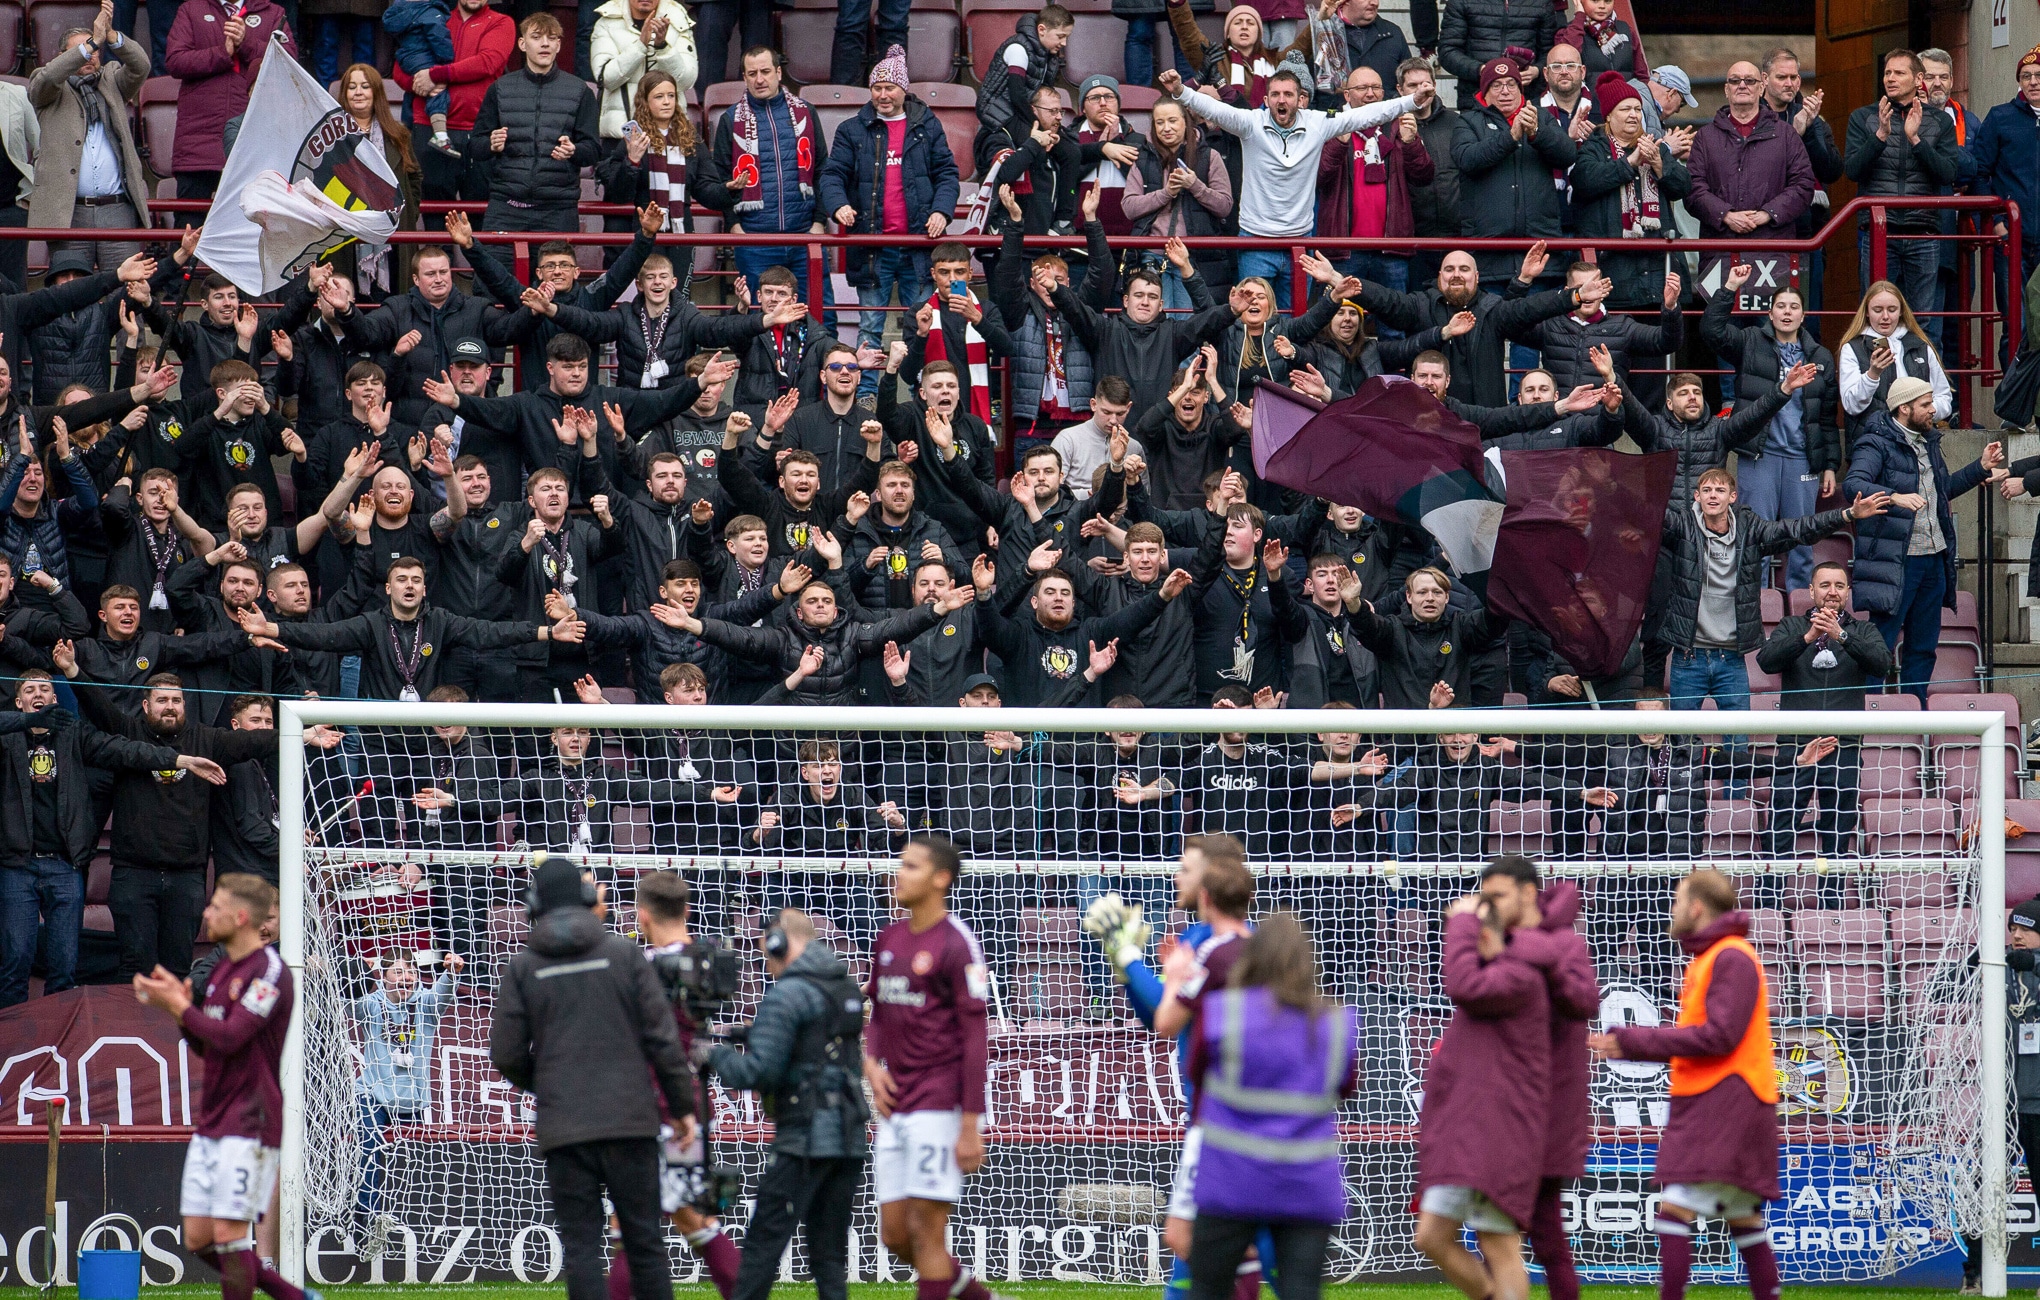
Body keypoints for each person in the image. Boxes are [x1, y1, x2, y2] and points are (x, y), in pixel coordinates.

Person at [490, 856, 698, 1300]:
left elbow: (506, 1054)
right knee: (644, 1243)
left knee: (582, 1248)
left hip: (565, 1126)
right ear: (587, 898)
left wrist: (548, 1082)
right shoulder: (624, 954)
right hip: (630, 1120)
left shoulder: (523, 967)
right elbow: (662, 1041)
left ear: (534, 905)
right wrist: (682, 1108)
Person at [1589, 869, 1784, 1300]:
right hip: (1727, 1100)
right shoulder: (1713, 957)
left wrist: (1636, 1040)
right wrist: (1631, 1045)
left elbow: (1719, 1037)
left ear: (1696, 907)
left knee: (1673, 1210)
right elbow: (1706, 1037)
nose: (1672, 910)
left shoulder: (1731, 957)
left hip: (1726, 1102)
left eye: (1677, 901)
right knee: (1745, 1221)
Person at [132, 874, 310, 1300]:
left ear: (240, 916)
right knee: (198, 1239)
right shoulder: (221, 969)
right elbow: (206, 1044)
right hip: (214, 1117)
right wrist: (179, 1012)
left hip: (251, 1118)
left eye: (215, 907)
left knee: (230, 1237)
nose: (206, 913)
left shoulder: (270, 971)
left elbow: (232, 1037)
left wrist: (180, 1006)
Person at [0, 671, 199, 1009]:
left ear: (55, 700)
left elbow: (122, 749)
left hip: (64, 865)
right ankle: (11, 1038)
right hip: (18, 865)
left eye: (45, 689)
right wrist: (26, 722)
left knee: (64, 966)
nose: (39, 694)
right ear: (19, 702)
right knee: (15, 961)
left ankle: (58, 1037)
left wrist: (175, 758)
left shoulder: (73, 734)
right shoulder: (7, 741)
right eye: (30, 690)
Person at [1413, 856, 1565, 1300]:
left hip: (1502, 1129)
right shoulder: (1503, 973)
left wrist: (1459, 925)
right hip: (1469, 1129)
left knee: (1499, 1244)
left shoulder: (1521, 974)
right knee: (1431, 1236)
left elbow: (1461, 984)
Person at [1183, 911, 1355, 1300]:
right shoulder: (1336, 1022)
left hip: (1232, 1178)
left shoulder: (1222, 1011)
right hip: (1306, 1181)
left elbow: (1197, 1074)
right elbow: (1345, 1086)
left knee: (1208, 1289)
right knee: (1301, 1291)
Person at [702, 907, 867, 1300]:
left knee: (762, 1248)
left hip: (803, 1139)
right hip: (849, 1138)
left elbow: (757, 1073)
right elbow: (811, 1047)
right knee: (828, 1259)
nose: (767, 965)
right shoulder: (844, 987)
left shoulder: (788, 994)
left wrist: (713, 1054)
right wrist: (752, 1033)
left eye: (767, 954)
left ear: (778, 942)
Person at [1161, 65, 1422, 307]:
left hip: (1299, 243)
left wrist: (1413, 100)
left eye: (1288, 94)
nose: (1282, 100)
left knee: (1294, 324)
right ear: (1266, 100)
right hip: (1256, 241)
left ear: (1300, 100)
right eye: (1275, 94)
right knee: (1252, 316)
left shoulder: (1317, 122)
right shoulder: (1251, 123)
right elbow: (1215, 109)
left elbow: (1367, 114)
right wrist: (1180, 91)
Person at [864, 836, 997, 1300]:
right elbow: (878, 1014)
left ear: (941, 878)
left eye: (911, 866)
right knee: (895, 1236)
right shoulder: (890, 938)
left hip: (940, 1105)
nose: (898, 873)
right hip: (895, 1105)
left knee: (927, 1235)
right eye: (900, 864)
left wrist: (969, 1123)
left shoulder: (957, 944)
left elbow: (976, 1038)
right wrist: (870, 1062)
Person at [1652, 466, 1886, 711]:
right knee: (1681, 734)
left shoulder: (1750, 530)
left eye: (1720, 490)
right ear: (1697, 496)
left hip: (1731, 658)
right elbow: (1644, 513)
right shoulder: (1682, 526)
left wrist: (1847, 514)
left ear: (1732, 497)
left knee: (1738, 735)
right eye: (1707, 490)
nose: (1712, 495)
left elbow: (1799, 529)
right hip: (1687, 657)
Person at [1842, 375, 2000, 701]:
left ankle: (1915, 715)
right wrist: (1894, 496)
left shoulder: (1929, 441)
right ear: (1904, 408)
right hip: (1896, 562)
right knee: (1879, 647)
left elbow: (1943, 492)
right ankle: (1870, 717)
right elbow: (1853, 484)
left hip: (1933, 559)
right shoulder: (1875, 442)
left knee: (1924, 648)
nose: (1933, 409)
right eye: (1926, 404)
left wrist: (1980, 467)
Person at [821, 50, 959, 381]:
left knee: (922, 325)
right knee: (870, 325)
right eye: (877, 88)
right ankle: (867, 395)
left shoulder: (927, 126)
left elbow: (947, 174)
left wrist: (942, 211)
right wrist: (838, 204)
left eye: (890, 88)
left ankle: (920, 392)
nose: (883, 95)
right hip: (873, 248)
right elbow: (832, 174)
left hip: (918, 247)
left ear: (904, 90)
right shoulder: (852, 129)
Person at [1703, 263, 1839, 591]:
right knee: (1755, 539)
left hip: (1802, 459)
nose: (1787, 312)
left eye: (1794, 307)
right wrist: (1730, 288)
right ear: (1770, 313)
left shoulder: (1820, 356)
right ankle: (1757, 606)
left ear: (1803, 316)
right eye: (1781, 306)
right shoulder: (1751, 341)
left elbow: (1826, 417)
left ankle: (1799, 608)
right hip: (1759, 456)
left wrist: (1830, 465)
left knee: (1802, 542)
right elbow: (1711, 331)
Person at [1755, 561, 1891, 856]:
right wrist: (1807, 638)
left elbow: (1882, 665)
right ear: (1811, 591)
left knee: (1838, 835)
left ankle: (1832, 888)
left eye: (1839, 586)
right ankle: (1772, 887)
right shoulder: (1791, 625)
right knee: (1780, 829)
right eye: (1825, 585)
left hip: (1844, 747)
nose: (1832, 592)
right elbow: (1766, 661)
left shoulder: (1863, 629)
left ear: (1848, 592)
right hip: (1795, 746)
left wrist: (1842, 635)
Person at [1844, 49, 1963, 349]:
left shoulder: (1939, 121)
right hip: (1878, 233)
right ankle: (1878, 379)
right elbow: (1852, 170)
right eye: (1887, 72)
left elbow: (1947, 173)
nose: (1891, 78)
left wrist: (1915, 139)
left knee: (1922, 322)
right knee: (1875, 318)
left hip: (1923, 232)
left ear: (1918, 78)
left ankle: (1919, 379)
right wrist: (1880, 137)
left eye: (1899, 72)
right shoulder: (1863, 117)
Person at [351, 950, 464, 1255]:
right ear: (384, 977)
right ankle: (365, 1219)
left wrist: (451, 973)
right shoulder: (373, 1004)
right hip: (373, 1094)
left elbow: (442, 996)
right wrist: (360, 971)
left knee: (408, 1167)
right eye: (398, 972)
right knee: (369, 1150)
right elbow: (352, 999)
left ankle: (404, 1229)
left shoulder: (425, 1004)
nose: (406, 977)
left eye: (410, 971)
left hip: (411, 1100)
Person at [704, 47, 830, 303]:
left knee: (818, 313)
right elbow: (722, 180)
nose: (759, 79)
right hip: (755, 240)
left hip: (805, 235)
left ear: (779, 73)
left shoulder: (806, 112)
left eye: (765, 71)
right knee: (757, 317)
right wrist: (734, 226)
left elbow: (822, 170)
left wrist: (819, 222)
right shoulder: (730, 119)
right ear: (744, 77)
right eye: (752, 74)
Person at [31, 6, 150, 271]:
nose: (90, 54)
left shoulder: (112, 80)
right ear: (62, 56)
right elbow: (49, 77)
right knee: (73, 290)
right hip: (69, 212)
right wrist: (91, 42)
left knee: (124, 288)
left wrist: (111, 35)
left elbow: (141, 66)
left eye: (95, 49)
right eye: (82, 49)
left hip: (117, 210)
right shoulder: (47, 85)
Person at [1524, 879, 1599, 1300]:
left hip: (1540, 1117)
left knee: (1514, 1235)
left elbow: (1584, 1000)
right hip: (1529, 1114)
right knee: (1532, 1235)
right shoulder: (1554, 947)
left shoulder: (1558, 949)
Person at [1569, 74, 1692, 321]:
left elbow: (1683, 187)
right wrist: (1630, 163)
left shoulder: (1653, 146)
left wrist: (1659, 164)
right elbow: (1584, 181)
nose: (1633, 115)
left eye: (1637, 109)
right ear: (1608, 116)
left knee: (1659, 342)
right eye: (1625, 109)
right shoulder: (1595, 147)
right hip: (1615, 276)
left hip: (1658, 276)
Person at [1451, 57, 1578, 289]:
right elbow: (1467, 159)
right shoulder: (1468, 121)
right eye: (1496, 85)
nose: (1505, 91)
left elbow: (1567, 155)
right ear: (1485, 92)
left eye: (1511, 84)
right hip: (1488, 254)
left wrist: (1537, 133)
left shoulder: (1541, 117)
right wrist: (1511, 137)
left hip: (1539, 251)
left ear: (1521, 90)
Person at [472, 13, 601, 233]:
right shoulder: (500, 88)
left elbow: (593, 151)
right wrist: (491, 145)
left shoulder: (580, 91)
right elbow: (475, 146)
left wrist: (574, 151)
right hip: (506, 208)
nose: (545, 43)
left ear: (559, 45)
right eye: (537, 37)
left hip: (558, 210)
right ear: (522, 44)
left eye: (552, 38)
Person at [161, 0, 297, 202]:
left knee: (249, 220)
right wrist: (222, 53)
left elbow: (289, 61)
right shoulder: (191, 9)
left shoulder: (273, 13)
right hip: (198, 149)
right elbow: (175, 61)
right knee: (191, 219)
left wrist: (247, 42)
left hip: (253, 149)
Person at [1313, 66, 1433, 295]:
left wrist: (1411, 144)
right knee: (1340, 314)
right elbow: (1318, 178)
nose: (1370, 94)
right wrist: (1338, 144)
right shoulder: (1331, 124)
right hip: (1344, 250)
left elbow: (1424, 177)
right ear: (1347, 95)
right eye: (1362, 88)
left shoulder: (1398, 125)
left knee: (1394, 317)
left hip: (1391, 249)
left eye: (1376, 87)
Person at [396, 0, 515, 203]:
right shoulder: (434, 18)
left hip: (478, 131)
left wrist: (435, 75)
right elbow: (400, 68)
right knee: (432, 209)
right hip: (428, 128)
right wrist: (418, 83)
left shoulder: (501, 22)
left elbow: (487, 62)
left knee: (480, 210)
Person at [1121, 100, 1235, 309]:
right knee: (1156, 318)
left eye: (1172, 121)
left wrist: (1194, 185)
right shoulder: (1143, 158)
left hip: (1194, 255)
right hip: (1153, 254)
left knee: (1187, 320)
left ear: (1186, 123)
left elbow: (1225, 206)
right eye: (1160, 122)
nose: (1166, 128)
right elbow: (1129, 207)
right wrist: (1166, 193)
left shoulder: (1209, 156)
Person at [1838, 279, 1952, 441]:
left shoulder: (1920, 345)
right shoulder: (1852, 348)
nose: (1885, 316)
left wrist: (1923, 411)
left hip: (1918, 439)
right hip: (1872, 442)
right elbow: (1851, 405)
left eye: (1892, 310)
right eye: (1878, 310)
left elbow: (1944, 398)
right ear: (1867, 312)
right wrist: (1872, 375)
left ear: (1901, 311)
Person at [1974, 46, 2040, 302]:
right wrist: (1997, 222)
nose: (2033, 82)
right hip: (2011, 235)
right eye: (2026, 76)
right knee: (2014, 316)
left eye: (2038, 75)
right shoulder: (2000, 117)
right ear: (2019, 81)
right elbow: (1979, 173)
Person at [589, 0, 695, 142]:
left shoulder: (678, 21)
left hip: (669, 132)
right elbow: (606, 79)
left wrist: (663, 47)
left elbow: (686, 81)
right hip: (621, 133)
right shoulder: (607, 23)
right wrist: (640, 46)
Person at [1285, 0, 1411, 109]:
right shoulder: (1324, 31)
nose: (1375, 3)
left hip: (1384, 122)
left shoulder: (1392, 33)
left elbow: (1409, 81)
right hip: (1334, 122)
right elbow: (1298, 78)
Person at [1436, 0, 1555, 108]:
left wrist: (1537, 70)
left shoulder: (1542, 3)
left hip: (1527, 97)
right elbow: (1447, 51)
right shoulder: (1461, 2)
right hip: (1476, 98)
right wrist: (1481, 70)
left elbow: (1550, 51)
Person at [976, 5, 1071, 138]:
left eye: (1066, 37)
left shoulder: (1048, 53)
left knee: (1067, 147)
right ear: (1042, 30)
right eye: (1060, 36)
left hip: (1021, 112)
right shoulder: (1018, 48)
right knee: (1040, 143)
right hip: (999, 112)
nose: (1064, 43)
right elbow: (1017, 95)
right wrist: (1037, 125)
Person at [1554, 0, 1641, 83]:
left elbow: (1641, 74)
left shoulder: (1626, 30)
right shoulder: (1567, 32)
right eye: (1595, 0)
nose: (1602, 6)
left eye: (1608, 1)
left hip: (1626, 92)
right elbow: (1564, 59)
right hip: (1589, 93)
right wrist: (1579, 16)